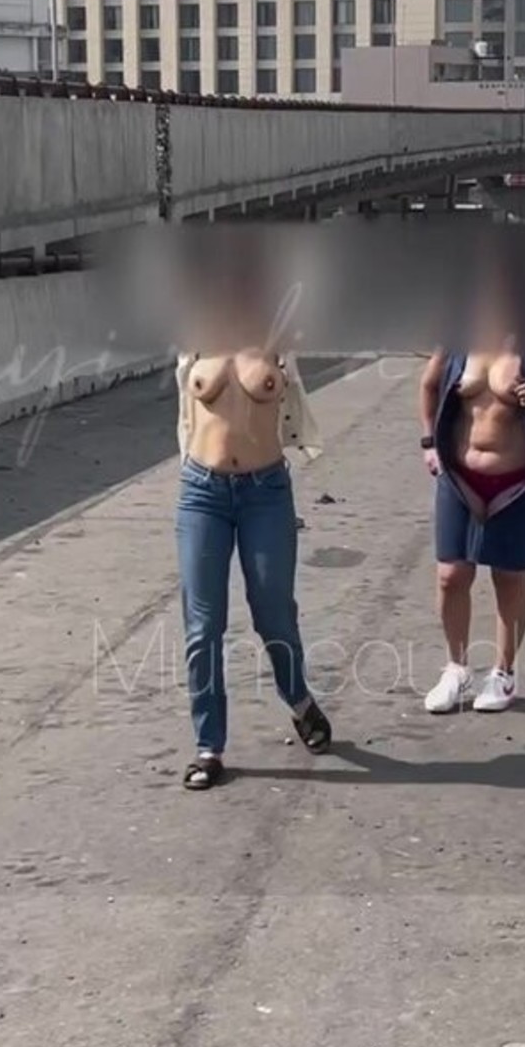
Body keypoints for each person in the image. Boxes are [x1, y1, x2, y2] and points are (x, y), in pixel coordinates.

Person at [418, 234, 525, 714]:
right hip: (460, 478)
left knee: (508, 578)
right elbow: (429, 385)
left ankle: (503, 674)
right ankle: (456, 669)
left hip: (517, 483)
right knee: (451, 575)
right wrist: (429, 444)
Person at [174, 337, 332, 790]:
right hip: (202, 493)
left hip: (265, 493)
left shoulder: (278, 336)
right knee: (203, 625)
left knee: (273, 612)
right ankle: (209, 746)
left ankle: (299, 699)